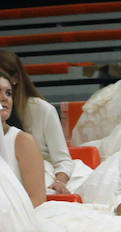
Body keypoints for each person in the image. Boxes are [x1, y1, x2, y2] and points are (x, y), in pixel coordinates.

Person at [0, 49, 74, 195]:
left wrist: (59, 181)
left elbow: (63, 160)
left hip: (41, 177)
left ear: (14, 79)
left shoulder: (43, 110)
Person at [0, 71, 44, 206]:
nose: (4, 98)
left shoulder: (23, 141)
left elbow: (37, 199)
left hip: (19, 220)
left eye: (8, 93)